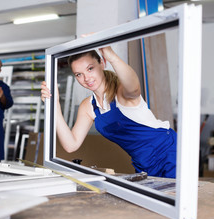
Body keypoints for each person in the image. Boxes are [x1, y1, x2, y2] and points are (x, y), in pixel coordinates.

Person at [41, 47, 177, 178]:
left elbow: (134, 89)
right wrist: (55, 105)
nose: (86, 78)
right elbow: (71, 145)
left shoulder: (121, 92)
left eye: (90, 69)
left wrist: (111, 55)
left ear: (102, 63)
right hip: (143, 164)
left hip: (169, 154)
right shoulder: (88, 106)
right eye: (79, 74)